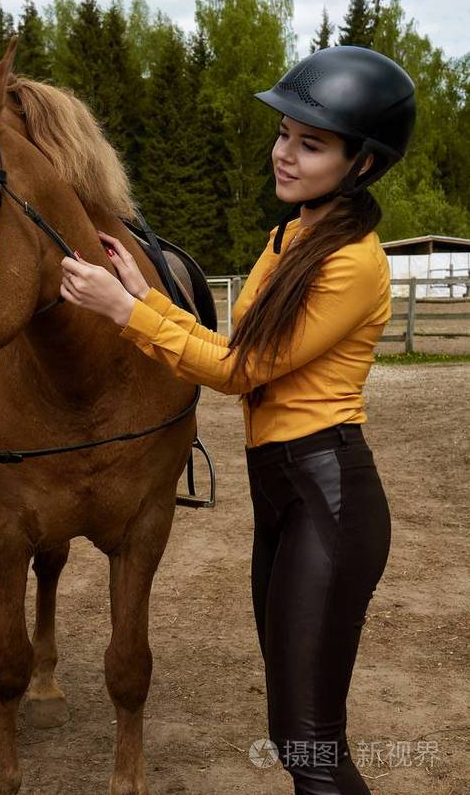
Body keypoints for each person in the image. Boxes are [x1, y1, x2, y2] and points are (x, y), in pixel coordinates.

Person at [59, 45, 416, 795]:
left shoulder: (352, 261)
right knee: (297, 735)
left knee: (310, 744)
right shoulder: (291, 238)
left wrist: (124, 312)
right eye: (284, 133)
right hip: (285, 491)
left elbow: (237, 372)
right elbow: (236, 346)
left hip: (328, 492)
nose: (284, 154)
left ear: (363, 165)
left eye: (310, 143)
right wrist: (144, 292)